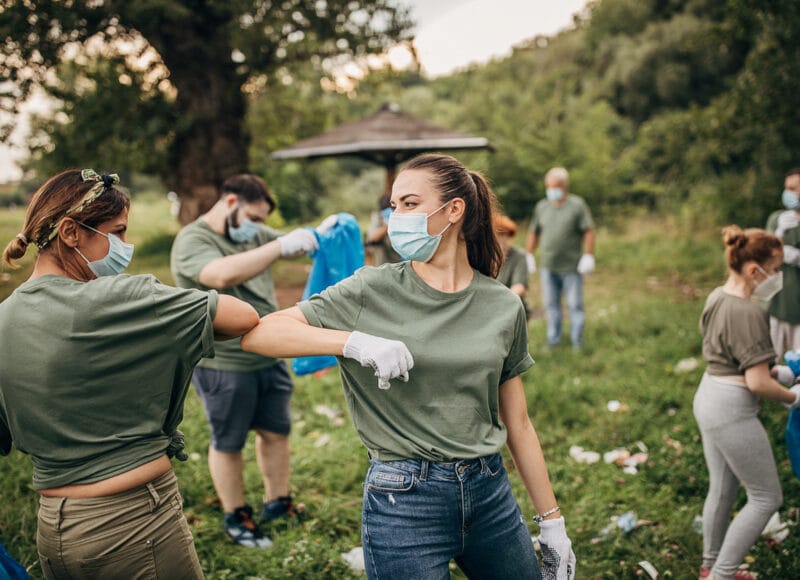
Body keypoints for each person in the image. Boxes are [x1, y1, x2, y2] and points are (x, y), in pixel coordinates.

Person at [240, 153, 576, 579]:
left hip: (489, 491)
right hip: (404, 502)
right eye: (394, 206)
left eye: (410, 204)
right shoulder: (371, 288)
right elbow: (260, 334)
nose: (395, 216)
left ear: (454, 211)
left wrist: (552, 522)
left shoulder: (503, 305)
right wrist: (353, 342)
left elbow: (520, 422)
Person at [0, 169, 259, 579]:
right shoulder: (120, 298)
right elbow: (243, 316)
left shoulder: (4, 319)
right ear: (70, 231)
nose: (126, 246)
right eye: (117, 233)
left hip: (53, 529)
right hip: (133, 523)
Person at [170, 174, 319, 548]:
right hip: (224, 363)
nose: (257, 228)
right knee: (229, 440)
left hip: (269, 353)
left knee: (276, 431)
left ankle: (277, 502)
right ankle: (236, 515)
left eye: (262, 222)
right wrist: (280, 245)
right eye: (254, 217)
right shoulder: (194, 239)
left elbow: (293, 244)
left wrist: (324, 231)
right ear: (231, 202)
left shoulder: (251, 231)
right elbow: (219, 274)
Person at [694, 225, 800, 580]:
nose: (780, 276)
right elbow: (757, 382)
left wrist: (779, 372)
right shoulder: (750, 312)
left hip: (709, 394)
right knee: (766, 498)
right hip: (731, 410)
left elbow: (733, 357)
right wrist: (793, 396)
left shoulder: (717, 297)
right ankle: (722, 575)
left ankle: (710, 566)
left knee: (723, 488)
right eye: (778, 268)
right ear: (755, 271)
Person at [525, 167, 595, 350]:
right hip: (548, 266)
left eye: (555, 186)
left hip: (571, 266)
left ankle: (577, 342)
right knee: (551, 305)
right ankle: (553, 340)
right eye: (548, 187)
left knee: (574, 305)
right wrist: (529, 254)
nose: (551, 190)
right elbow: (534, 232)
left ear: (564, 186)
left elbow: (588, 230)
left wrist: (588, 254)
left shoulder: (577, 205)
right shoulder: (542, 206)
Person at [765, 168, 800, 360]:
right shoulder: (778, 219)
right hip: (777, 304)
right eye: (786, 188)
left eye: (793, 188)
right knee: (770, 359)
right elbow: (761, 255)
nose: (788, 193)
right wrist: (778, 235)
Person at [494, 214, 531, 319]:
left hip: (511, 307)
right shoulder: (483, 256)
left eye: (504, 234)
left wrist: (499, 302)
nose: (500, 238)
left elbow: (519, 287)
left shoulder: (519, 256)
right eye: (497, 234)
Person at [364, 192, 401, 266]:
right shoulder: (377, 218)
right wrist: (388, 225)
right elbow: (373, 237)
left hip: (397, 261)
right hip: (381, 263)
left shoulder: (399, 218)